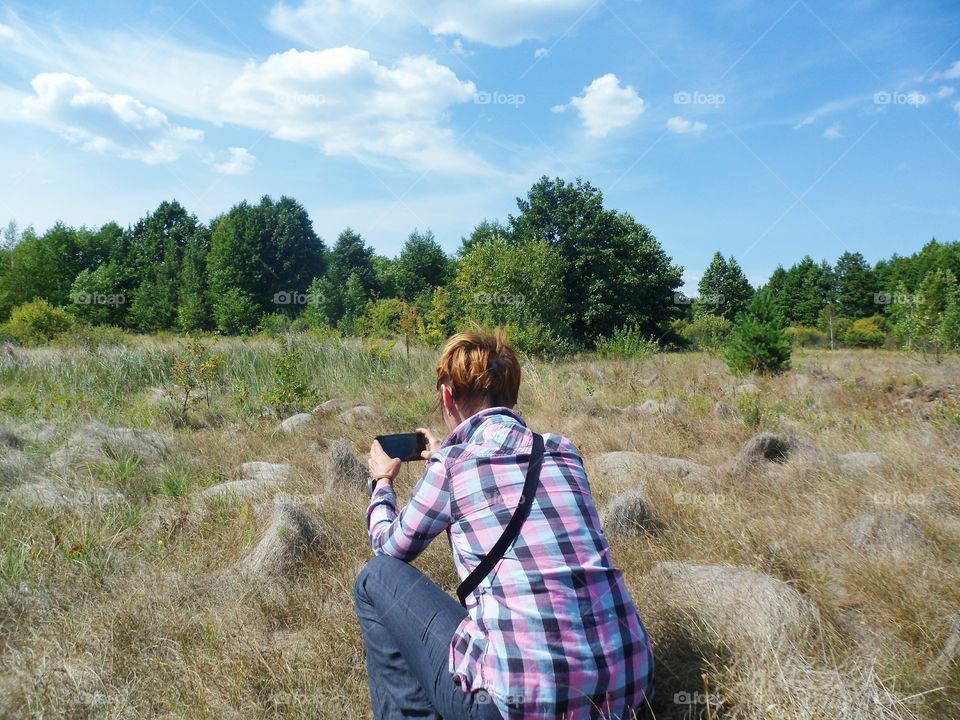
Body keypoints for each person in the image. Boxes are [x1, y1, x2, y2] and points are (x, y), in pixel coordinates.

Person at [354, 331, 654, 719]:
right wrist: (445, 455)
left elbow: (389, 547)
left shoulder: (451, 465)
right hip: (630, 688)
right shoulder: (562, 450)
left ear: (447, 396)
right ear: (511, 393)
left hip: (516, 705)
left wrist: (382, 484)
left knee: (374, 578)